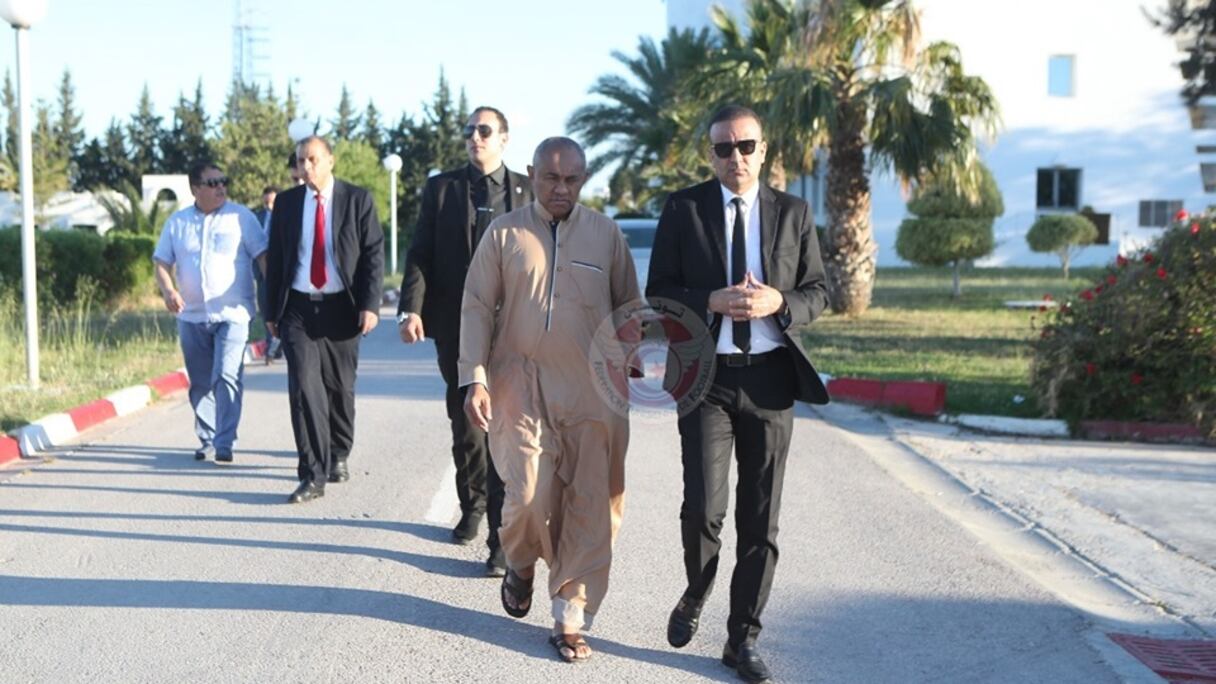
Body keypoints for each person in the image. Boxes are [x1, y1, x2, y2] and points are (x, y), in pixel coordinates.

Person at [646, 105, 830, 684]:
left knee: (760, 518)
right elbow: (659, 291)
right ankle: (696, 590)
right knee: (703, 508)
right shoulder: (683, 209)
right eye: (724, 148)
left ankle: (741, 638)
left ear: (763, 150)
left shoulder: (794, 213)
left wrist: (781, 303)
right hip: (707, 378)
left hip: (771, 379)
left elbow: (819, 290)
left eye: (746, 146)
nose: (736, 157)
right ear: (711, 155)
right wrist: (710, 301)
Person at [460, 137, 641, 663]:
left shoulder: (606, 235)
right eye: (551, 178)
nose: (561, 189)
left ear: (583, 179)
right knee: (527, 494)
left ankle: (570, 618)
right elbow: (477, 305)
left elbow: (630, 305)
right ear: (531, 174)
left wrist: (634, 356)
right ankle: (519, 561)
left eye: (571, 179)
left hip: (594, 391)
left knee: (591, 503)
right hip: (521, 384)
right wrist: (475, 377)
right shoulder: (504, 232)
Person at [398, 106, 533, 576]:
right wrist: (411, 308)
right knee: (467, 423)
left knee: (505, 428)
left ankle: (501, 538)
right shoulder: (443, 189)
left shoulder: (526, 190)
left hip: (513, 327)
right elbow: (421, 251)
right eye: (469, 130)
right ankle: (472, 503)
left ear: (504, 138)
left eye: (484, 130)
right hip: (456, 325)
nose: (475, 137)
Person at [264, 136, 385, 504]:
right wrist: (270, 311)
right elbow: (276, 259)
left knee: (339, 388)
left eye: (313, 159)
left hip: (341, 308)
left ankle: (339, 450)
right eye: (301, 161)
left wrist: (370, 305)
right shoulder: (287, 203)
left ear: (331, 160)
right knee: (304, 389)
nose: (306, 167)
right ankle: (311, 474)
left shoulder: (357, 200)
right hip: (298, 308)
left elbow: (372, 255)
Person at [152, 162, 268, 463]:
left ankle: (225, 440)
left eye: (223, 181)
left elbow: (263, 257)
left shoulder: (241, 217)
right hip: (191, 316)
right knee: (201, 381)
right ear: (195, 189)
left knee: (226, 374)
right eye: (213, 183)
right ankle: (207, 438)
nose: (221, 187)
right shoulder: (177, 223)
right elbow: (162, 262)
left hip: (233, 313)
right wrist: (169, 291)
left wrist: (273, 299)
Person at [253, 186, 282, 362]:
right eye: (266, 203)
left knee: (281, 309)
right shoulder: (256, 218)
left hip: (281, 270)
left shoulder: (286, 217)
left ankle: (274, 346)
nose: (269, 207)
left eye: (273, 203)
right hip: (261, 272)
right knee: (266, 309)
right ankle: (273, 344)